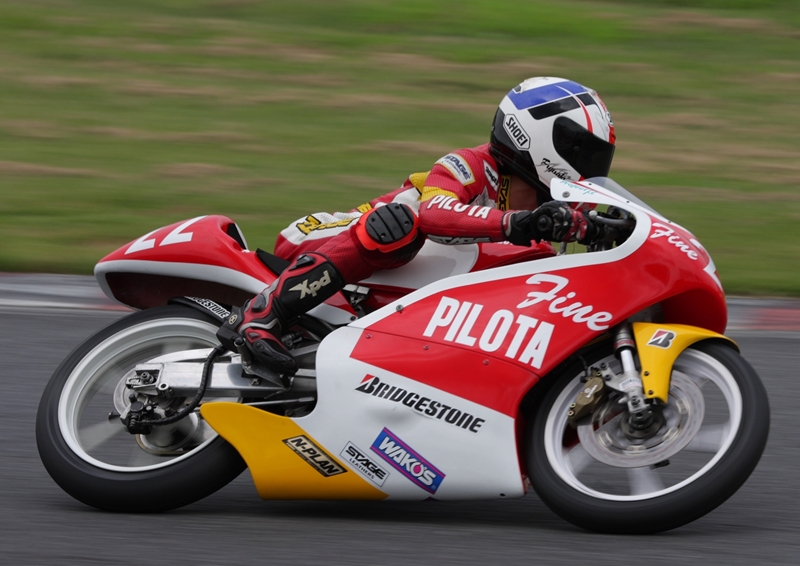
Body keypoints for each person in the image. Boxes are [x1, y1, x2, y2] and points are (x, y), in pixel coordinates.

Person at [217, 76, 617, 375]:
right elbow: (436, 216)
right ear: (539, 137)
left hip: (388, 284)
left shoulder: (559, 205)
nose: (592, 167)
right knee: (400, 226)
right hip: (321, 238)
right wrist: (520, 223)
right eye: (583, 152)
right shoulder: (471, 164)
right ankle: (265, 313)